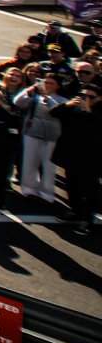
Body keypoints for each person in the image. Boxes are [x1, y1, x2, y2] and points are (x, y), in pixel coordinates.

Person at [53, 86, 100, 233]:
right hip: (71, 154)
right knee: (72, 185)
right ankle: (76, 211)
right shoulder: (74, 108)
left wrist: (89, 111)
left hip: (92, 158)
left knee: (90, 189)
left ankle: (88, 219)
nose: (85, 99)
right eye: (83, 95)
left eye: (91, 97)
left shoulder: (97, 112)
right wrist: (68, 104)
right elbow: (54, 113)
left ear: (99, 98)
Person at [14, 74, 66, 203]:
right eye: (46, 82)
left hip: (52, 135)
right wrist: (29, 90)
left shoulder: (62, 99)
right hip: (32, 131)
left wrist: (46, 98)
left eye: (51, 83)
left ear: (57, 86)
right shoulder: (35, 96)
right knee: (29, 161)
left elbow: (58, 111)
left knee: (48, 165)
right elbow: (18, 102)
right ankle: (29, 188)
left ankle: (47, 192)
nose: (47, 85)